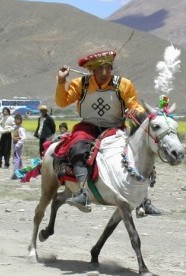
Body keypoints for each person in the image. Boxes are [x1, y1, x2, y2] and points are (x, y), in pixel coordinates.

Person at [55, 49, 161, 215]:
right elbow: (62, 102)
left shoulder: (124, 85)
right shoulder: (80, 84)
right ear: (91, 70)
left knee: (139, 153)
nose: (105, 73)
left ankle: (143, 200)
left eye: (108, 68)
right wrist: (62, 82)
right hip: (88, 127)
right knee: (77, 148)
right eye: (99, 69)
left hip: (115, 127)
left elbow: (133, 104)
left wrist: (138, 113)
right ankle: (82, 193)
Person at [11, 114, 27, 180]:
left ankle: (16, 173)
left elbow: (24, 138)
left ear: (21, 121)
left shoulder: (21, 129)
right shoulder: (16, 127)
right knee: (18, 158)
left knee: (16, 159)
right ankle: (21, 173)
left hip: (18, 145)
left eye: (18, 119)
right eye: (15, 119)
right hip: (15, 144)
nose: (16, 120)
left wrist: (18, 145)